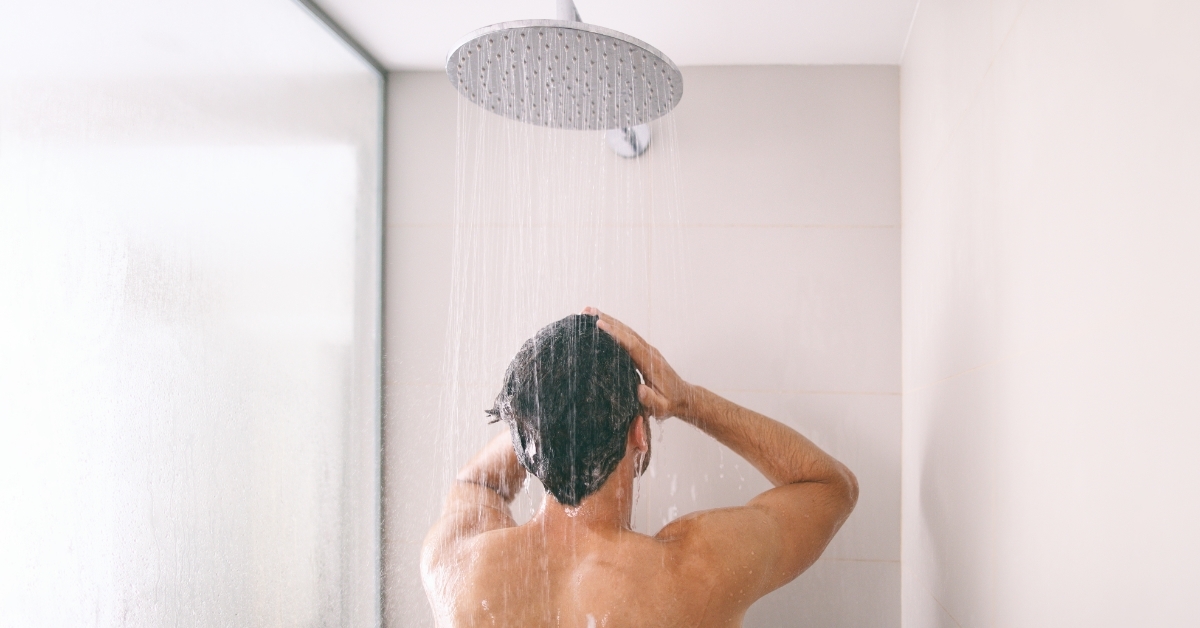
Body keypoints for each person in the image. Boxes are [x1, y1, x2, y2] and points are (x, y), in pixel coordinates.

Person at [421, 308, 858, 627]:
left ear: (522, 440)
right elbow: (829, 486)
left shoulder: (458, 565)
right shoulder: (693, 571)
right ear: (639, 433)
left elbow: (478, 482)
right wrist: (687, 400)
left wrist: (547, 415)